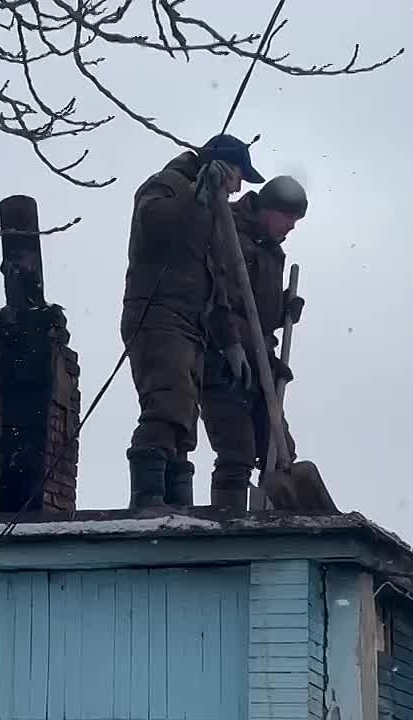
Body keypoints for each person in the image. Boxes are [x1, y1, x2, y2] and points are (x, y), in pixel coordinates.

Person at [121, 134, 265, 510]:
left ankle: (176, 506)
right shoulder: (167, 183)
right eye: (238, 176)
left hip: (194, 326)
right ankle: (149, 501)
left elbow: (216, 282)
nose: (237, 189)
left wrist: (230, 343)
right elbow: (153, 224)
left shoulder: (215, 215)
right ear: (223, 166)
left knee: (184, 419)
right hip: (157, 314)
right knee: (167, 403)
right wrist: (195, 195)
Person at [200, 175, 309, 513]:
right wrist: (234, 344)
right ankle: (229, 525)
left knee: (279, 451)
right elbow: (221, 301)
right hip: (222, 357)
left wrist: (281, 309)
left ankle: (275, 524)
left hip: (261, 361)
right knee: (237, 451)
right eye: (288, 217)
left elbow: (256, 312)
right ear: (268, 208)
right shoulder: (227, 230)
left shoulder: (272, 252)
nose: (291, 226)